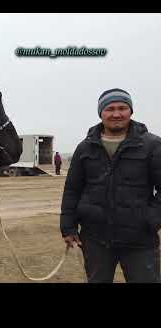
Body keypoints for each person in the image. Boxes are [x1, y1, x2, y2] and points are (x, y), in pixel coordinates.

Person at [60, 88, 161, 283]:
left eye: (122, 107)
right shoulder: (85, 147)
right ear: (101, 113)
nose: (116, 114)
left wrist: (151, 219)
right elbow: (73, 189)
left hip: (140, 239)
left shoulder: (152, 145)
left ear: (131, 111)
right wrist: (68, 227)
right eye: (110, 108)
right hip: (95, 238)